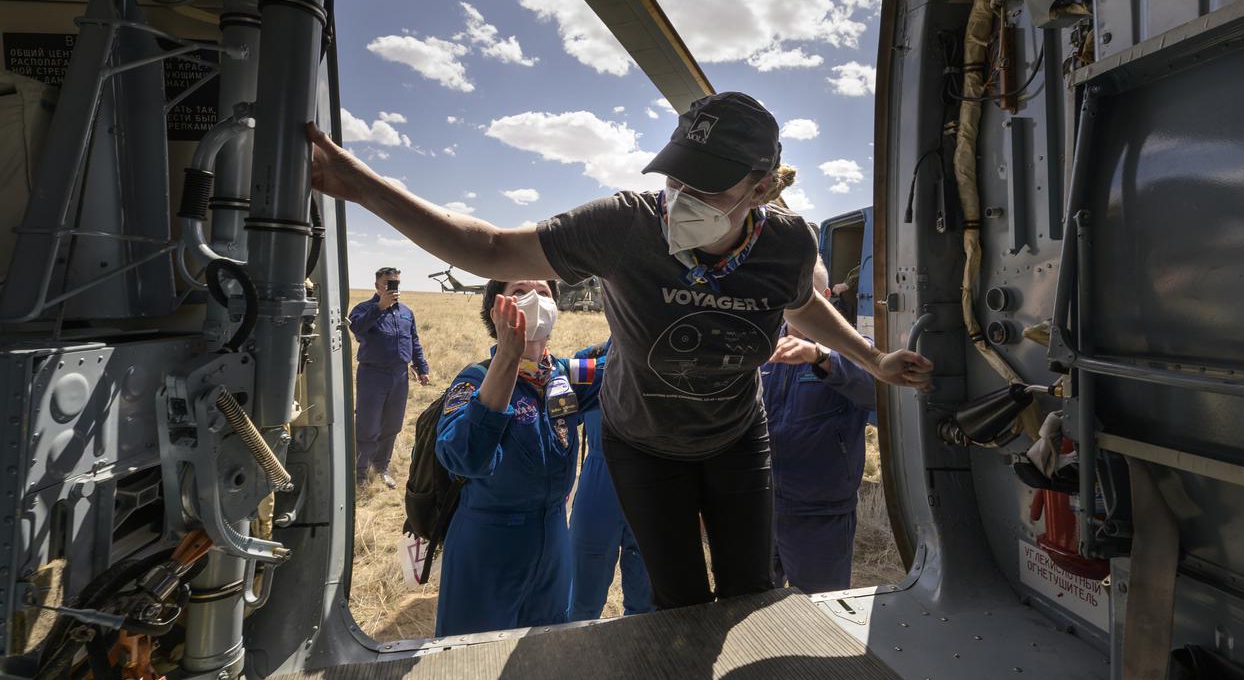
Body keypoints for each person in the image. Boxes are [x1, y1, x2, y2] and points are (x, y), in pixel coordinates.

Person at [309, 90, 932, 613]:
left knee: (752, 590)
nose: (681, 196)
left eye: (707, 187)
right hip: (643, 445)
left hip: (737, 437)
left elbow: (801, 305)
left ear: (762, 188)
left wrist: (872, 359)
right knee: (679, 598)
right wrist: (364, 188)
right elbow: (492, 247)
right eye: (676, 175)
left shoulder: (788, 244)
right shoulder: (624, 227)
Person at [433, 279, 603, 637]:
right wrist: (509, 357)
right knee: (473, 657)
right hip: (489, 542)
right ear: (495, 309)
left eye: (543, 292)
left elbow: (619, 368)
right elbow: (463, 458)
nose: (534, 300)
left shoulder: (561, 375)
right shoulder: (474, 379)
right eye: (520, 290)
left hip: (555, 537)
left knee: (545, 649)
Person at [762, 258, 875, 594]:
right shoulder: (763, 346)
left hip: (819, 515)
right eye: (788, 295)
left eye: (805, 295)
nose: (795, 305)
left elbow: (875, 390)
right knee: (749, 611)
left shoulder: (851, 348)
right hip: (761, 509)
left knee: (820, 614)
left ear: (825, 296)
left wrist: (821, 356)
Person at [566, 338, 654, 621]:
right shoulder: (587, 360)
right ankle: (576, 659)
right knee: (582, 599)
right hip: (599, 480)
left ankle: (641, 661)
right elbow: (565, 418)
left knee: (646, 602)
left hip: (652, 483)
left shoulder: (665, 357)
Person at [348, 267, 430, 489]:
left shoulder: (405, 312)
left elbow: (413, 340)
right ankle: (360, 473)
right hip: (372, 374)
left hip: (400, 375)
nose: (392, 287)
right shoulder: (363, 309)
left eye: (395, 283)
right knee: (368, 424)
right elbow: (357, 329)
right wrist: (379, 308)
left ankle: (381, 468)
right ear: (377, 285)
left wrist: (421, 367)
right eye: (387, 283)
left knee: (392, 424)